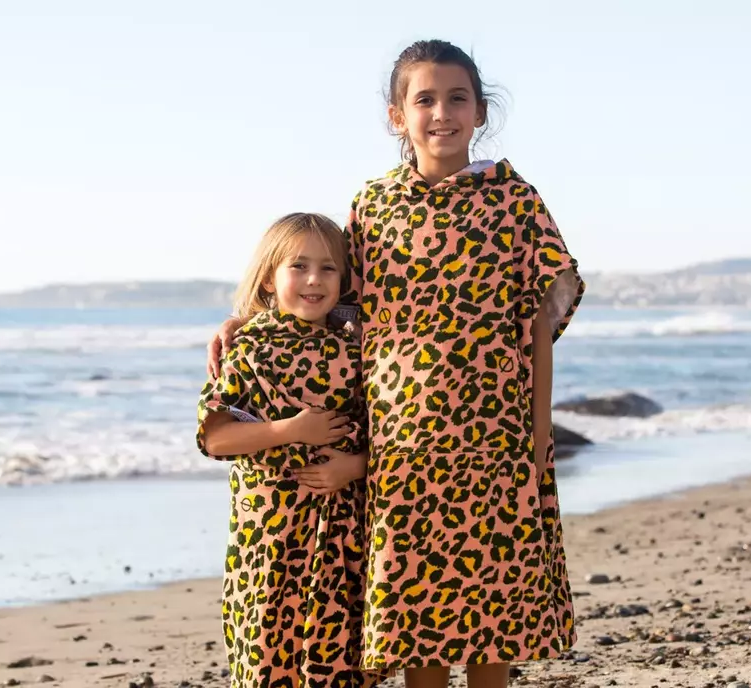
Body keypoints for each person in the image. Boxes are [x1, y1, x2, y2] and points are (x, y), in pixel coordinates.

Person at [208, 39, 584, 688]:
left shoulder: (515, 201)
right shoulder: (374, 206)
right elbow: (333, 303)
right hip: (402, 445)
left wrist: (538, 432)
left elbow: (538, 325)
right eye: (425, 100)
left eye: (457, 98)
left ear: (480, 111)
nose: (442, 113)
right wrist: (247, 318)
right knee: (419, 618)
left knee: (494, 612)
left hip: (494, 439)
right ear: (397, 116)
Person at [197, 212, 382, 688]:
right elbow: (216, 437)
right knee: (266, 652)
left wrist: (356, 466)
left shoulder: (361, 352)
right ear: (268, 276)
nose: (314, 280)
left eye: (328, 268)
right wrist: (292, 429)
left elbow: (392, 434)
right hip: (268, 539)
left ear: (346, 280)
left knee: (342, 657)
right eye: (297, 266)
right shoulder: (249, 349)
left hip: (344, 537)